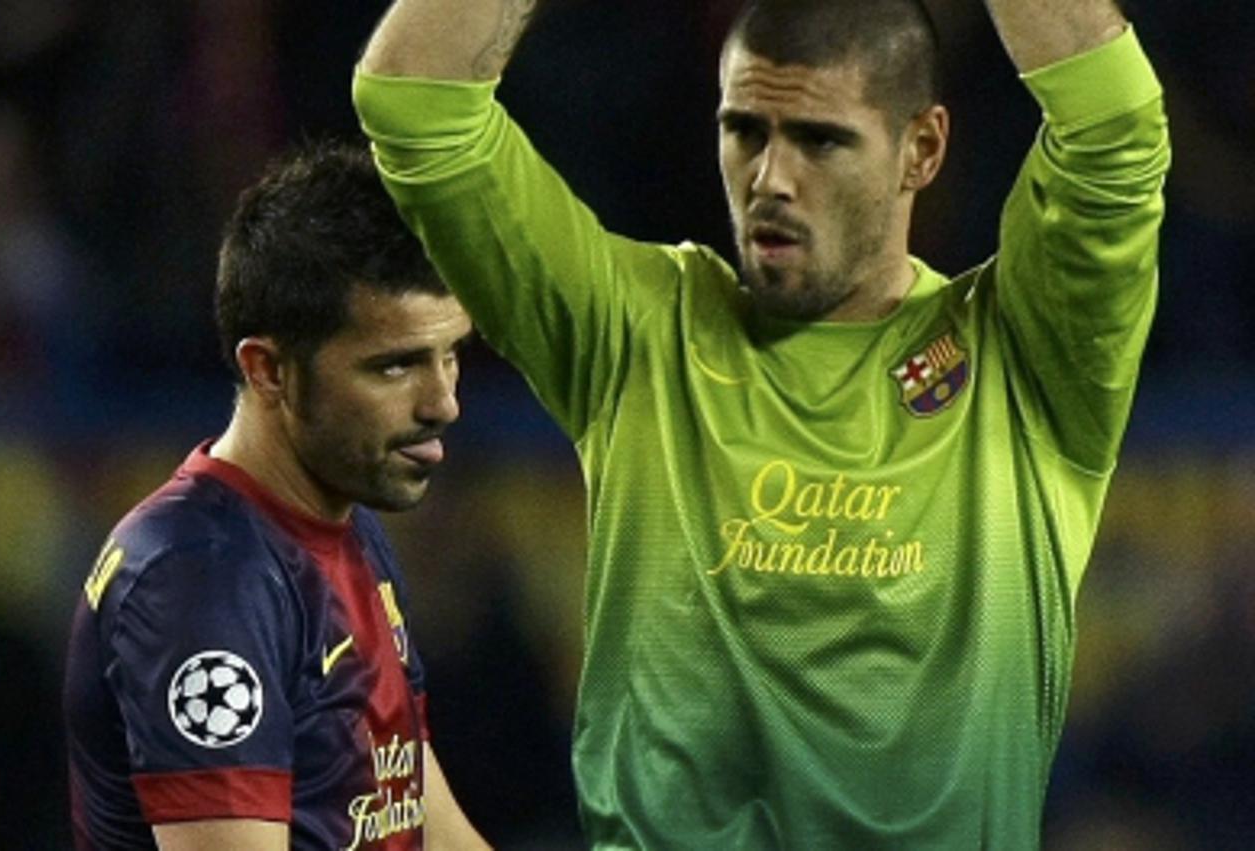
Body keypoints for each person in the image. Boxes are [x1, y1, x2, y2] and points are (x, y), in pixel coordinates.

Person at [353, 0, 1169, 845]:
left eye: (820, 140)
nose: (770, 179)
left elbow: (1115, 128)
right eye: (744, 130)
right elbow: (415, 95)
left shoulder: (1025, 362)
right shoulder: (637, 334)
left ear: (920, 149)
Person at [63, 142, 489, 850]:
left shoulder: (345, 525)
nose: (443, 402)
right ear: (268, 371)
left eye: (451, 354)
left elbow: (429, 828)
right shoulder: (198, 580)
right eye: (395, 366)